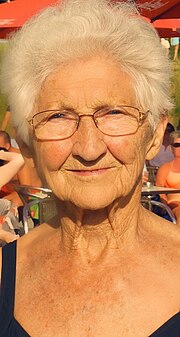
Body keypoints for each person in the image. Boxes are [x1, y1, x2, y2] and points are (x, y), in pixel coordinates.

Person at [0, 1, 180, 336]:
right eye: (58, 116)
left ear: (154, 135)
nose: (89, 148)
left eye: (114, 113)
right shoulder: (3, 275)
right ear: (26, 143)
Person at [156, 131, 180, 225]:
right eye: (177, 144)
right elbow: (159, 189)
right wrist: (164, 206)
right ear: (171, 148)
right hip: (175, 203)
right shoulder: (165, 168)